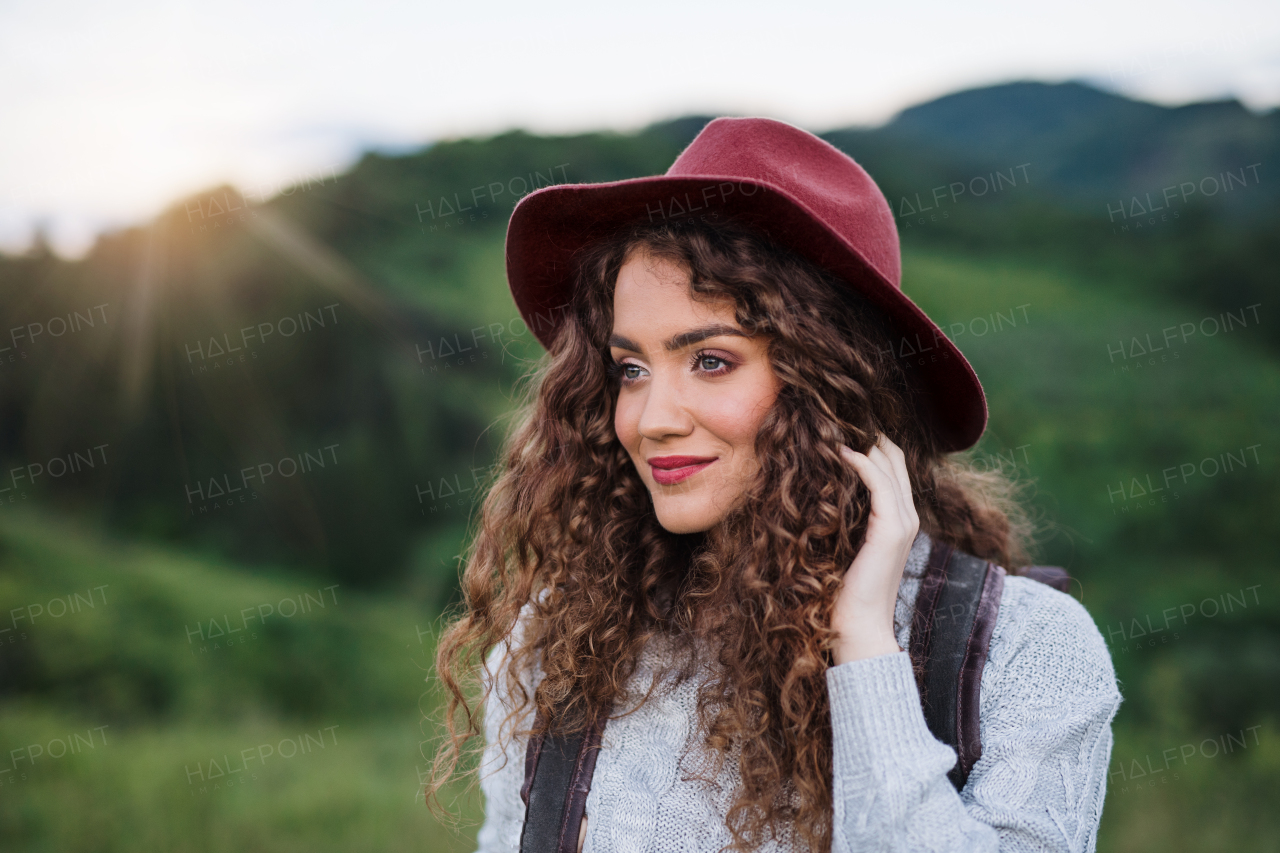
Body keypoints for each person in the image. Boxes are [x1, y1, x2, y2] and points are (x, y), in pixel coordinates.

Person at [426, 117, 1122, 853]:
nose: (651, 419)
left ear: (832, 382)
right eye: (630, 368)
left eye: (712, 361)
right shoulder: (559, 644)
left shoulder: (1024, 648)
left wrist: (864, 645)